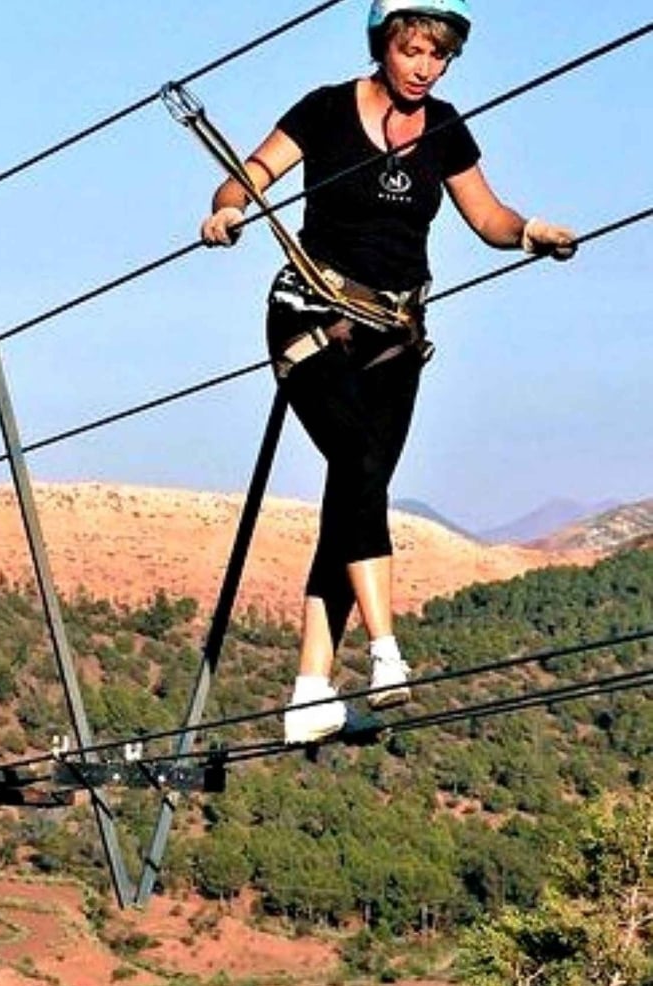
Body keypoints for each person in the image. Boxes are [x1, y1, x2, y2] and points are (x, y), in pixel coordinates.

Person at [198, 0, 577, 744]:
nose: (424, 68)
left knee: (356, 488)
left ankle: (310, 689)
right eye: (412, 51)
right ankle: (384, 651)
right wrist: (229, 208)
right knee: (360, 461)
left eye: (438, 57)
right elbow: (249, 175)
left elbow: (488, 216)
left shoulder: (445, 127)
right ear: (385, 44)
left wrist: (531, 233)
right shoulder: (325, 111)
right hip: (311, 316)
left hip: (396, 335)